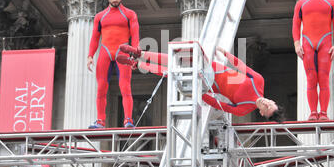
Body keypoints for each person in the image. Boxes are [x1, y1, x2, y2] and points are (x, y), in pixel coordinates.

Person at [117, 45, 285, 122]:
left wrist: (200, 93)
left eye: (268, 108)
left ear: (263, 113)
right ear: (272, 101)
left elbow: (220, 105)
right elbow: (241, 66)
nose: (267, 103)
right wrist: (226, 53)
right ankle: (140, 54)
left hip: (209, 83)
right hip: (213, 68)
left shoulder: (244, 109)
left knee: (172, 72)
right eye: (271, 103)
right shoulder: (259, 82)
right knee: (176, 60)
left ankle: (137, 64)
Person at [87, 0, 140, 129]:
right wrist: (90, 55)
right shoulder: (100, 16)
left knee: (125, 86)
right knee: (101, 87)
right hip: (105, 51)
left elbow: (135, 35)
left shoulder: (129, 14)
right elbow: (95, 37)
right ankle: (100, 121)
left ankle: (128, 120)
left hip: (122, 52)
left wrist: (135, 52)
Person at [292, 0, 334, 121]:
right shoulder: (301, 4)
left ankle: (324, 113)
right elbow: (295, 24)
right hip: (308, 43)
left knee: (323, 79)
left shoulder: (332, 3)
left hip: (325, 43)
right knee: (311, 79)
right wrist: (297, 44)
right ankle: (313, 112)